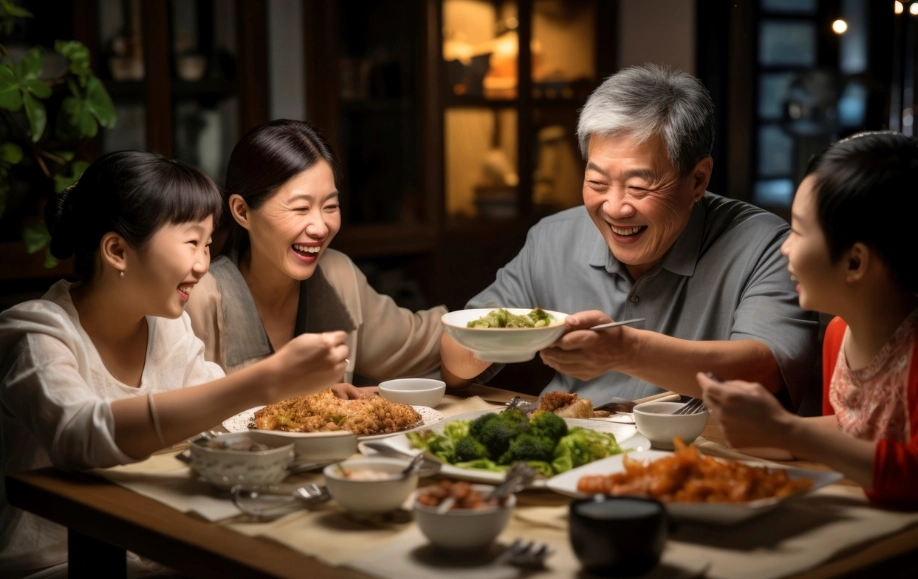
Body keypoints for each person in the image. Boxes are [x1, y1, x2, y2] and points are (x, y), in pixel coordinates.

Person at [0, 151, 349, 577]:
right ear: (117, 251)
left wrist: (321, 404)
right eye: (191, 243)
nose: (204, 265)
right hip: (59, 564)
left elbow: (227, 419)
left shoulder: (168, 328)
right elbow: (79, 435)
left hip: (151, 544)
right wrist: (267, 380)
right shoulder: (35, 333)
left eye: (207, 245)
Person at [442, 64, 819, 406]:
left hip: (696, 459)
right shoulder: (553, 239)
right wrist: (496, 339)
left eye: (639, 187)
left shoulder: (764, 245)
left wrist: (626, 352)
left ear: (698, 180)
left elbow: (766, 369)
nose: (614, 207)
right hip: (572, 447)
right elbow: (454, 365)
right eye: (597, 182)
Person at [698, 132, 918, 508]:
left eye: (798, 231)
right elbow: (850, 438)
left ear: (854, 262)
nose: (785, 246)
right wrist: (764, 429)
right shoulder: (838, 333)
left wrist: (788, 430)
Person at [185, 120, 445, 393]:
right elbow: (171, 418)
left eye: (331, 205)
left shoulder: (337, 274)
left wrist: (488, 318)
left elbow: (419, 344)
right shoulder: (199, 297)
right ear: (242, 212)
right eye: (300, 208)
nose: (320, 227)